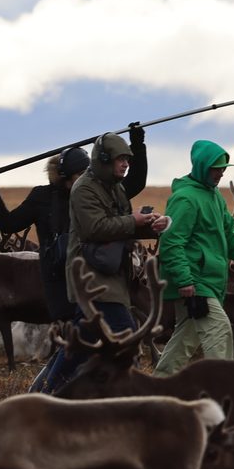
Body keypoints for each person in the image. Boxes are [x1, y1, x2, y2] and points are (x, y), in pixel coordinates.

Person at [33, 131, 166, 393]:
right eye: (120, 159)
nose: (126, 164)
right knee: (125, 333)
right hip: (91, 276)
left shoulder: (114, 188)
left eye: (127, 159)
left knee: (81, 343)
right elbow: (95, 228)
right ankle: (135, 395)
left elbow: (122, 226)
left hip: (110, 273)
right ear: (104, 159)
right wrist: (134, 220)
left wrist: (152, 226)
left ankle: (43, 395)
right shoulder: (84, 189)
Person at [153, 140, 234, 375]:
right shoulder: (185, 199)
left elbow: (231, 235)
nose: (221, 172)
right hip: (196, 283)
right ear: (202, 166)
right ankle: (223, 390)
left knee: (185, 338)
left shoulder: (214, 197)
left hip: (206, 282)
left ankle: (158, 384)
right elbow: (171, 242)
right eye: (216, 168)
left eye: (223, 167)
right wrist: (185, 280)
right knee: (220, 331)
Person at [0, 146, 90, 324]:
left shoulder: (91, 194)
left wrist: (138, 146)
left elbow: (133, 184)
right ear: (65, 175)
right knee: (70, 330)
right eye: (80, 174)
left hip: (88, 273)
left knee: (86, 333)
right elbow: (7, 224)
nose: (86, 178)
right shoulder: (41, 197)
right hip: (57, 278)